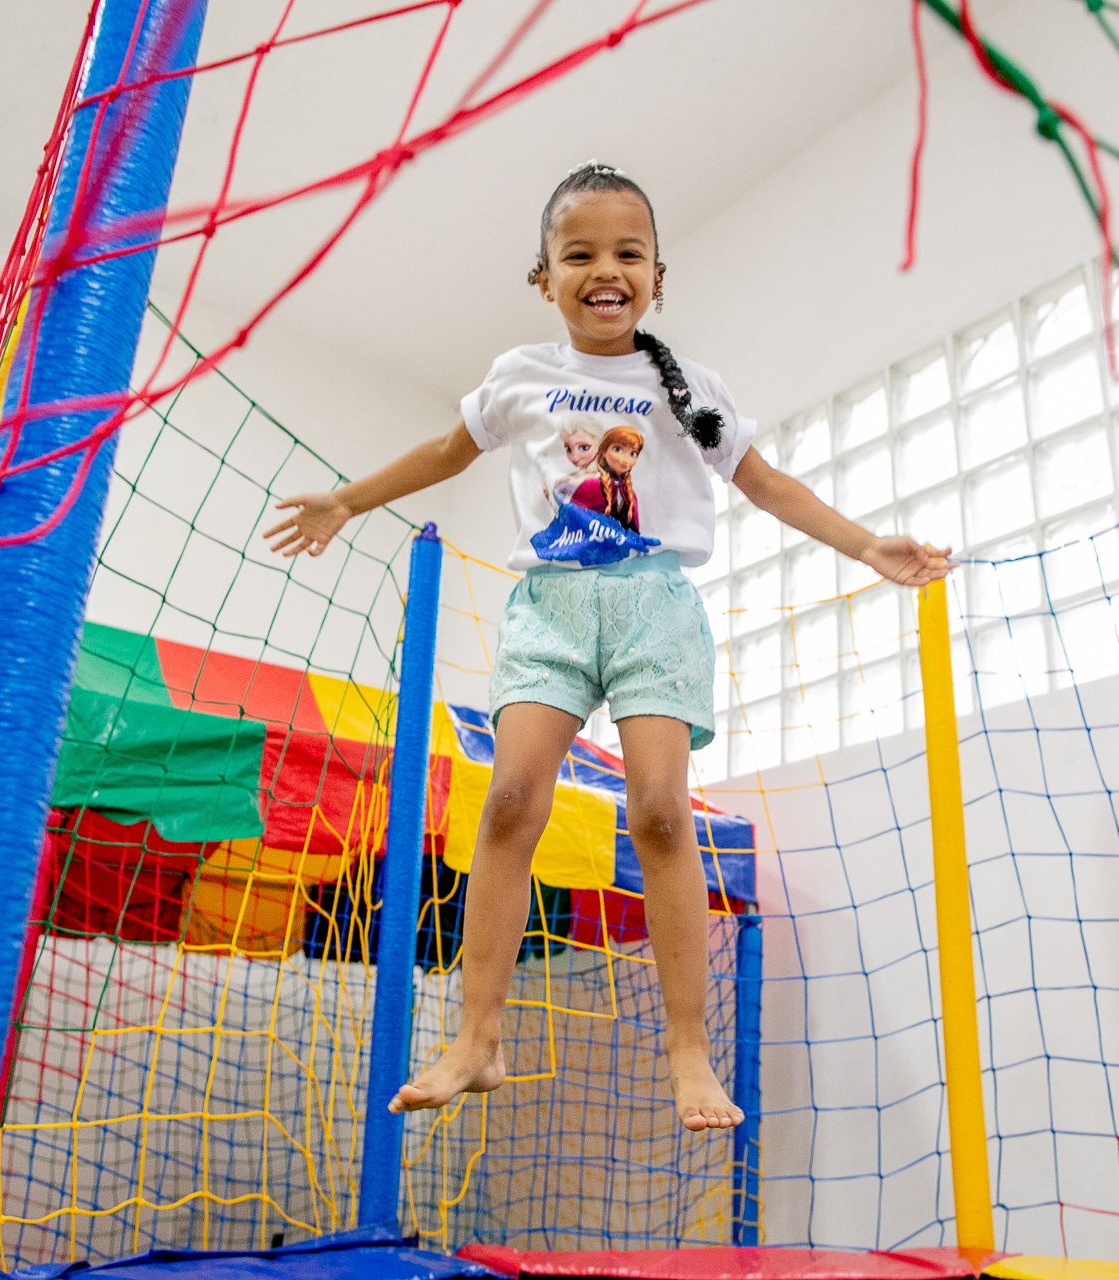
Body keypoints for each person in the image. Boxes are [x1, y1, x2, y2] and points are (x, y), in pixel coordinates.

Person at [264, 161, 950, 1132]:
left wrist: (866, 542)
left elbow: (767, 483)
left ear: (657, 276)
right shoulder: (521, 377)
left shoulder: (690, 388)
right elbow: (444, 453)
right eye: (578, 252)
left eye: (627, 252)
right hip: (548, 607)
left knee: (662, 812)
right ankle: (478, 1036)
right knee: (509, 799)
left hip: (652, 608)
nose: (605, 268)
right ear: (544, 277)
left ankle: (688, 1049)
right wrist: (347, 498)